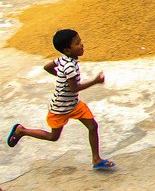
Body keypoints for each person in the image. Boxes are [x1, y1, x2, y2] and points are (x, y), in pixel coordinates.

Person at [6, 29, 115, 170]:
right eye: (77, 43)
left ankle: (96, 159)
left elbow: (47, 67)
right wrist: (95, 81)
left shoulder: (64, 59)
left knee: (93, 126)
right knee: (53, 137)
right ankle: (22, 131)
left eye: (80, 41)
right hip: (60, 108)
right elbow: (74, 88)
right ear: (67, 50)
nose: (82, 44)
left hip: (74, 105)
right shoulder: (69, 66)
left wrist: (60, 76)